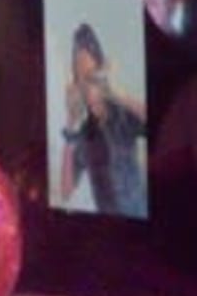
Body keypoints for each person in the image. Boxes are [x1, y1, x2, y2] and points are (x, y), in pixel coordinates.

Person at [58, 19, 147, 217]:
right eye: (81, 80)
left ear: (102, 73)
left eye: (92, 76)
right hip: (108, 228)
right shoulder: (82, 134)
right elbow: (66, 191)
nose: (87, 88)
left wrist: (115, 93)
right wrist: (70, 122)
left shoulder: (123, 114)